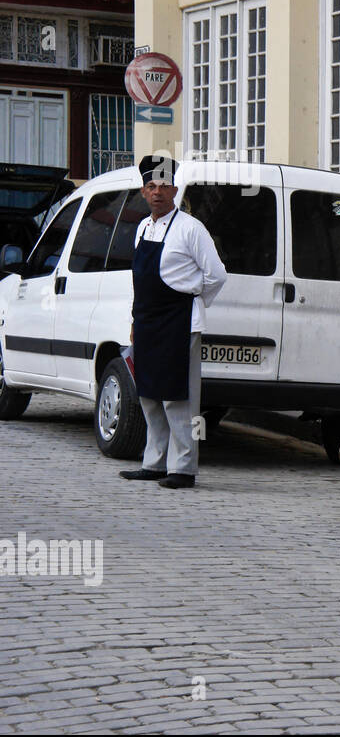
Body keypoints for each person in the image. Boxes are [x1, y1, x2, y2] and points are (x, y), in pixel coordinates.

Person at [119, 155, 227, 489]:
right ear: (143, 191)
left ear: (175, 190)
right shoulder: (142, 228)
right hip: (148, 323)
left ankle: (183, 468)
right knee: (150, 395)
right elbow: (140, 279)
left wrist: (193, 303)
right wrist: (136, 319)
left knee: (179, 399)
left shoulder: (191, 229)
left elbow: (217, 275)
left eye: (164, 186)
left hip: (181, 323)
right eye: (151, 186)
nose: (157, 193)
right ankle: (153, 463)